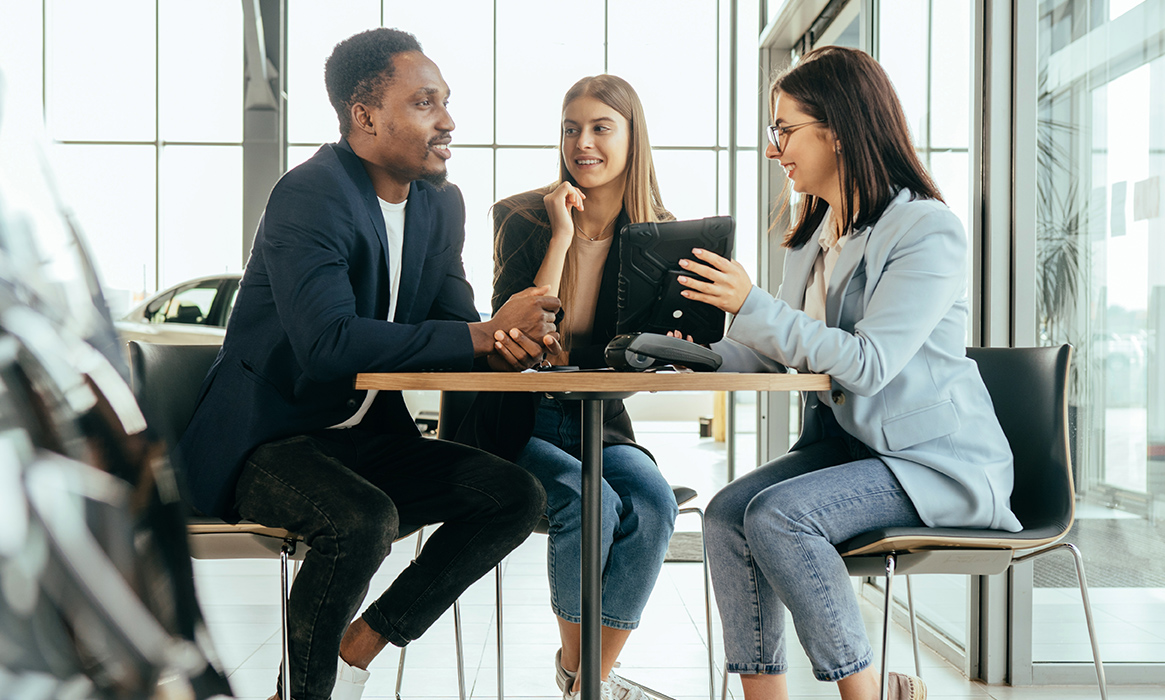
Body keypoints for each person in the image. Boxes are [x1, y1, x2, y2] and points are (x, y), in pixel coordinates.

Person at [176, 28, 561, 700]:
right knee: (360, 521)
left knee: (515, 496)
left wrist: (513, 342)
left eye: (445, 102)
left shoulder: (439, 204)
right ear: (365, 115)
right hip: (269, 440)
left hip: (363, 438)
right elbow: (328, 344)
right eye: (425, 103)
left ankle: (362, 644)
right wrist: (481, 335)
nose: (447, 121)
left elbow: (454, 326)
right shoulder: (310, 194)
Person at [673, 46, 1022, 700]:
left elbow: (867, 363)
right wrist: (693, 351)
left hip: (931, 462)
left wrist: (752, 305)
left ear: (836, 129)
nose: (774, 148)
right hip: (849, 450)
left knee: (778, 516)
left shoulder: (926, 230)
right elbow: (778, 353)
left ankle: (869, 694)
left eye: (784, 129)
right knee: (725, 515)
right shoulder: (814, 238)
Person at [455, 75, 678, 700]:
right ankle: (590, 686)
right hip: (514, 419)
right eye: (571, 129)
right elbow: (518, 338)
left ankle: (585, 681)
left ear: (633, 138)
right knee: (591, 500)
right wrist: (561, 236)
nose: (583, 143)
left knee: (655, 503)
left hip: (598, 420)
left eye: (601, 128)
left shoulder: (660, 233)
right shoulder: (521, 217)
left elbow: (652, 354)